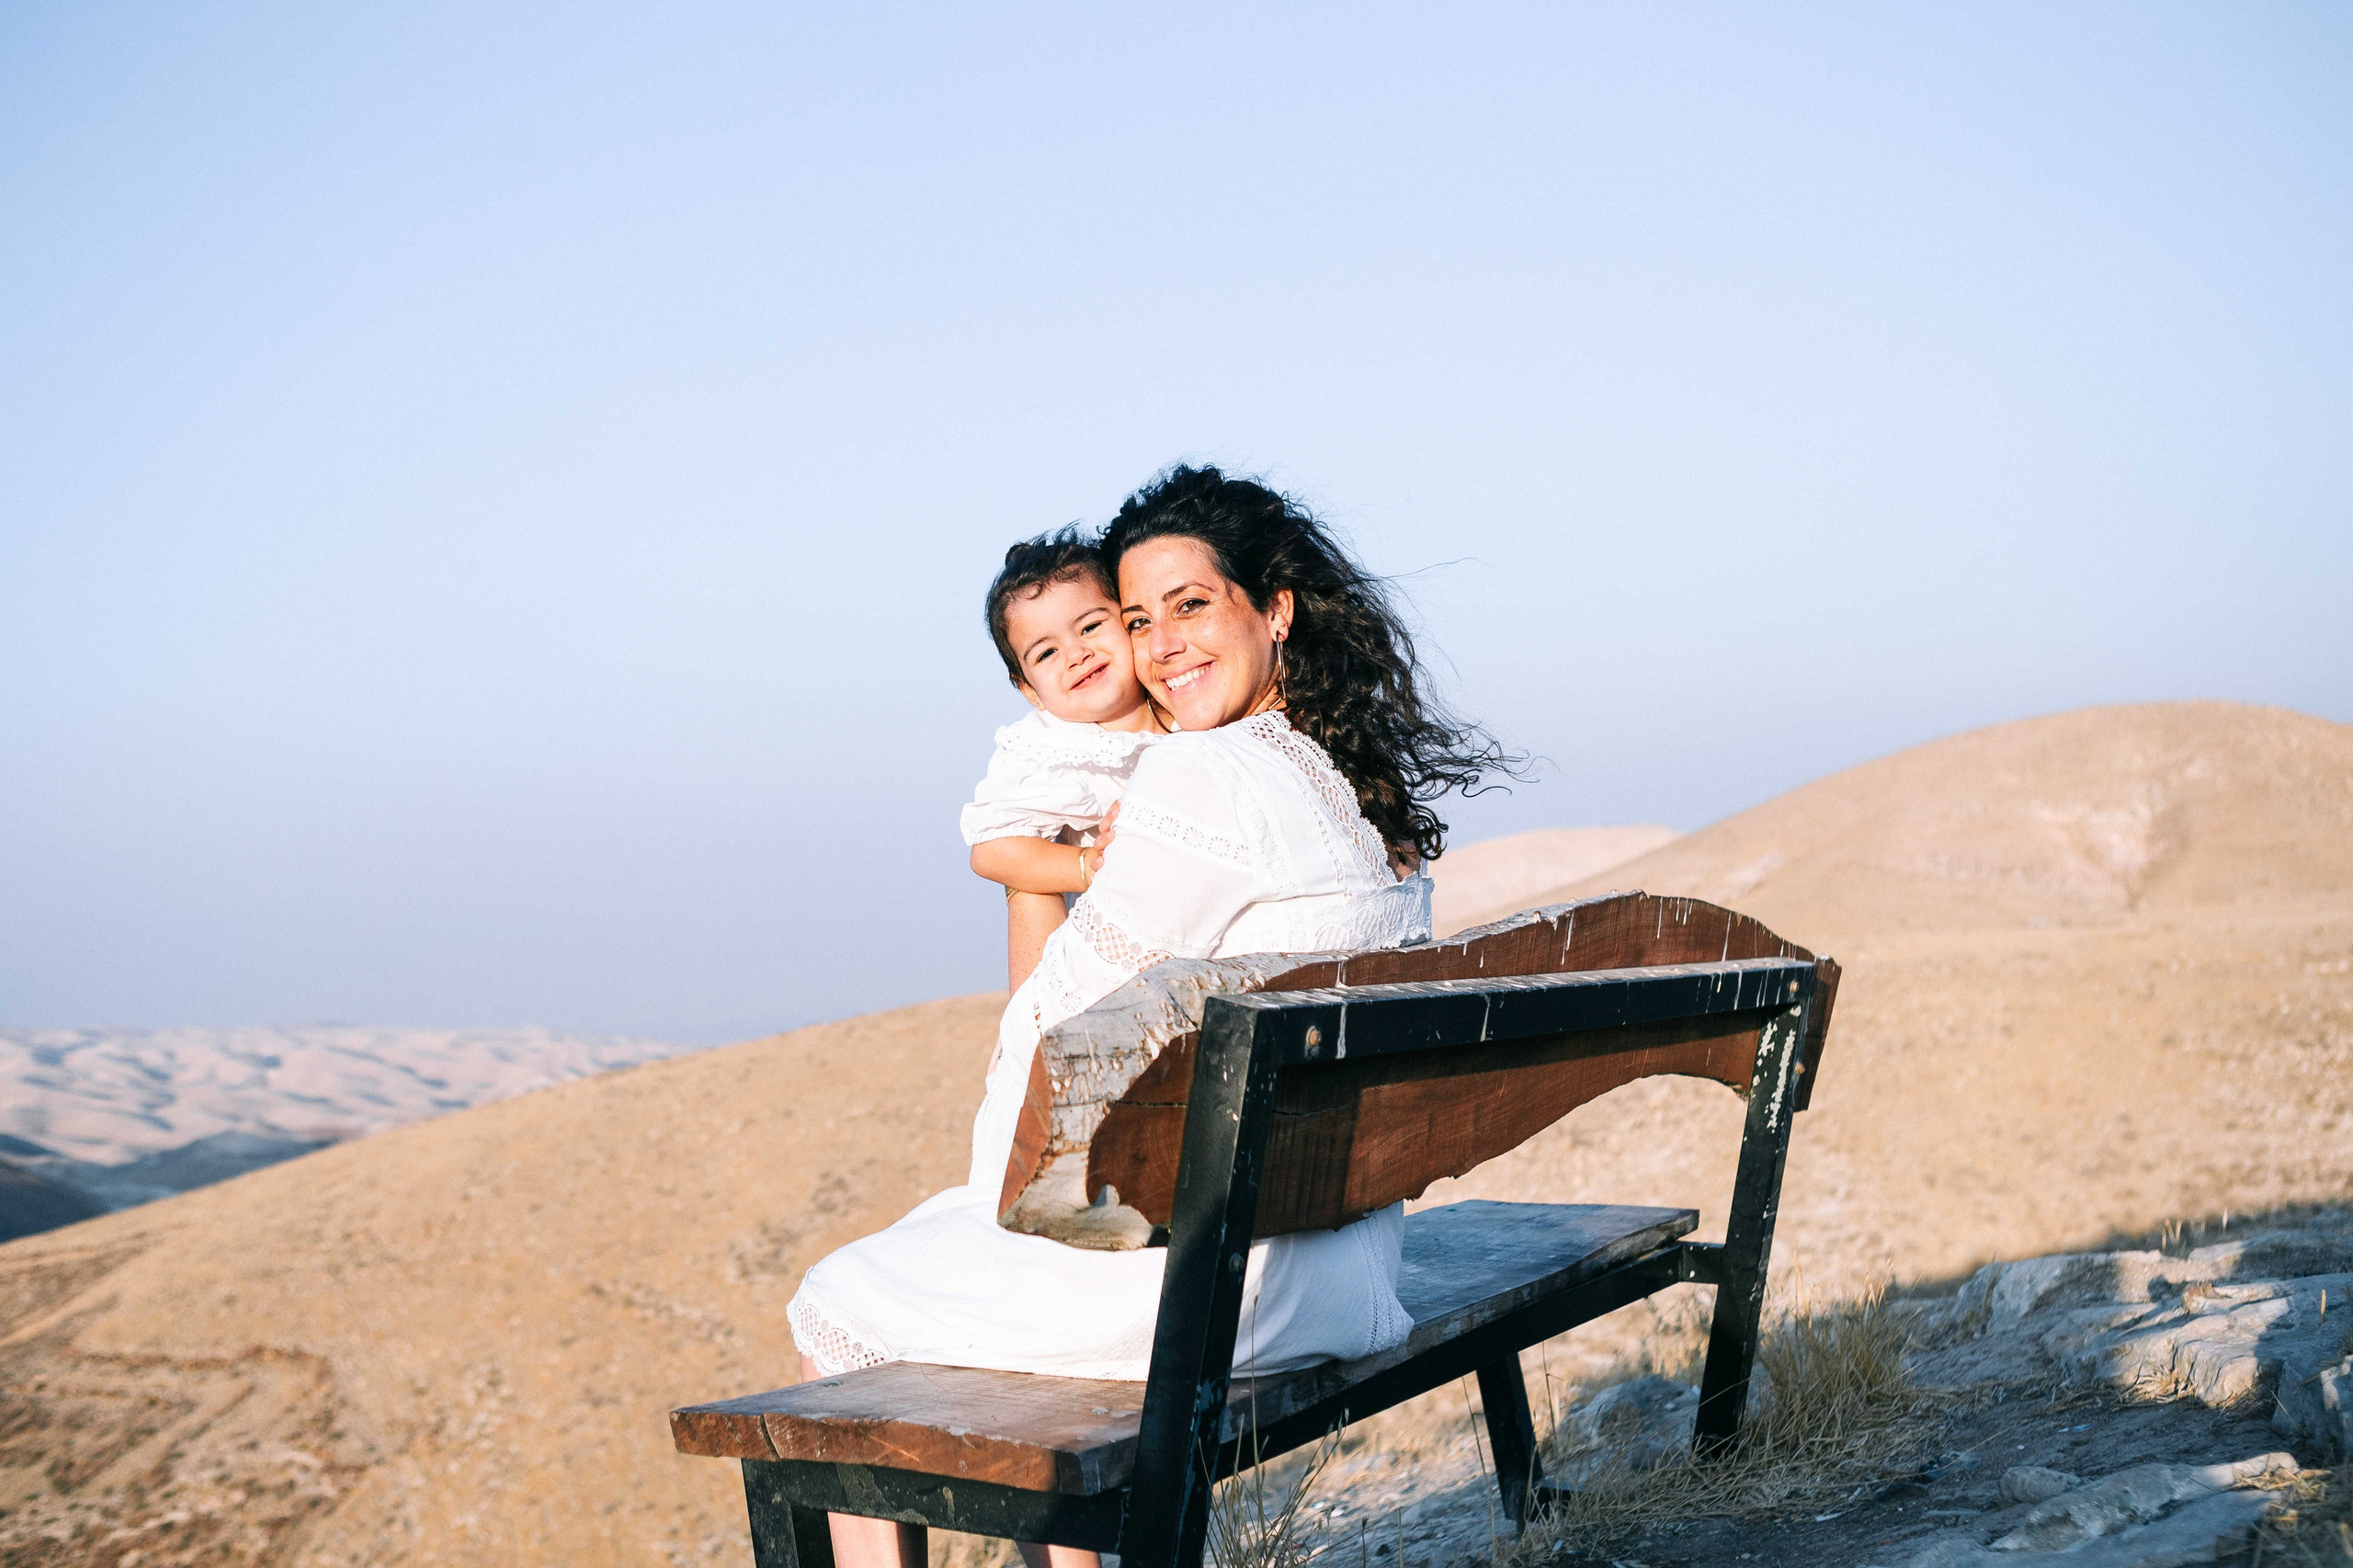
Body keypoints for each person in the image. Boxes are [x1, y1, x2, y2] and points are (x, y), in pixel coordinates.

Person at [789, 466, 1513, 1568]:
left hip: (1233, 1284)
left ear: (1272, 608)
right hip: (1347, 1251)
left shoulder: (1201, 780)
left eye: (1191, 604)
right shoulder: (1352, 784)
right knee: (939, 1263)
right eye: (1139, 617)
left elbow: (1041, 1071)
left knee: (838, 1298)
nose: (1161, 642)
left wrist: (1032, 884)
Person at [961, 528, 1164, 992]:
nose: (1077, 654)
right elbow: (991, 848)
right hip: (1115, 955)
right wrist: (1084, 866)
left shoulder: (1179, 710)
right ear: (1029, 689)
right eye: (1047, 652)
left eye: (1091, 626)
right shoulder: (1054, 749)